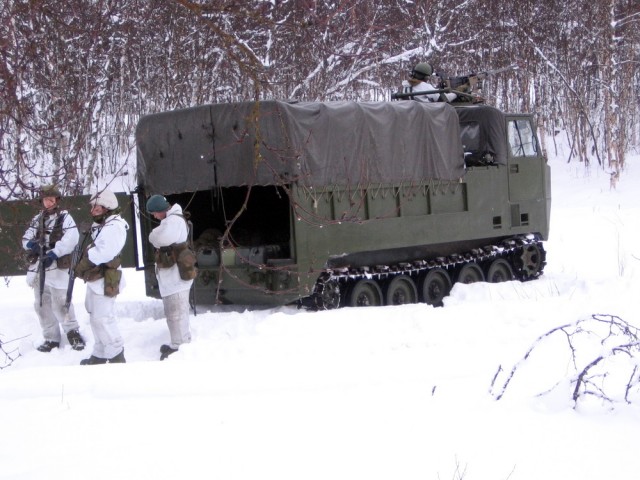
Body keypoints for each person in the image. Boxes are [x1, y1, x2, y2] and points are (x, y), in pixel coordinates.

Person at [22, 185, 86, 352]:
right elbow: (26, 237)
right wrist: (33, 245)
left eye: (51, 199)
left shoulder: (65, 218)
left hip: (58, 269)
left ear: (57, 200)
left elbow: (71, 239)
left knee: (61, 303)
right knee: (42, 304)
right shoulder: (38, 219)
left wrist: (54, 253)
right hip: (40, 268)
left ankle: (73, 333)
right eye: (45, 199)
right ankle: (51, 338)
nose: (48, 202)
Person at [74, 189, 129, 365]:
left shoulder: (114, 227)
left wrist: (87, 256)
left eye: (97, 207)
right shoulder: (103, 225)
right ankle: (100, 352)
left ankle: (116, 353)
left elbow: (104, 253)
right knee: (94, 315)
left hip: (106, 276)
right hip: (96, 277)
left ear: (108, 207)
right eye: (93, 207)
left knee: (103, 317)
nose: (93, 210)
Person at [146, 194, 194, 360]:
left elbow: (160, 238)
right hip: (173, 277)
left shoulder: (173, 221)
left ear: (160, 209)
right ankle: (178, 343)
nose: (154, 216)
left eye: (154, 213)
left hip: (176, 278)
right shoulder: (170, 220)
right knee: (176, 312)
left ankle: (180, 347)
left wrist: (153, 235)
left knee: (176, 313)